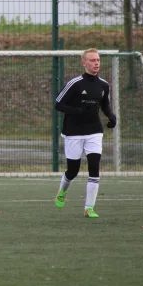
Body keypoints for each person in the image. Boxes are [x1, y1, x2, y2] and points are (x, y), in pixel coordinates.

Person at [54, 48, 116, 218]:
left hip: (94, 131)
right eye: (92, 60)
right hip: (73, 132)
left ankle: (89, 208)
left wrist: (111, 116)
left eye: (98, 60)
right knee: (72, 170)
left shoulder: (103, 85)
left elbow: (105, 105)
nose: (96, 63)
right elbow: (58, 104)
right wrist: (78, 111)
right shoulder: (74, 84)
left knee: (94, 167)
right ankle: (62, 191)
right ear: (84, 63)